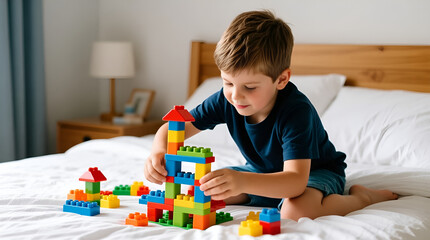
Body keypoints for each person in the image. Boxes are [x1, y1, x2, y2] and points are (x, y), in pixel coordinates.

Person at [144, 10, 398, 221]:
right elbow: (175, 127)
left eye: (250, 87)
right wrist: (158, 149)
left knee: (294, 211)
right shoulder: (226, 100)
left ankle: (363, 197)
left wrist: (243, 182)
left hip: (313, 174)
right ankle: (253, 189)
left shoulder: (296, 111)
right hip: (261, 173)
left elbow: (296, 182)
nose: (235, 96)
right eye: (227, 83)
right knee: (203, 193)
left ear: (282, 79)